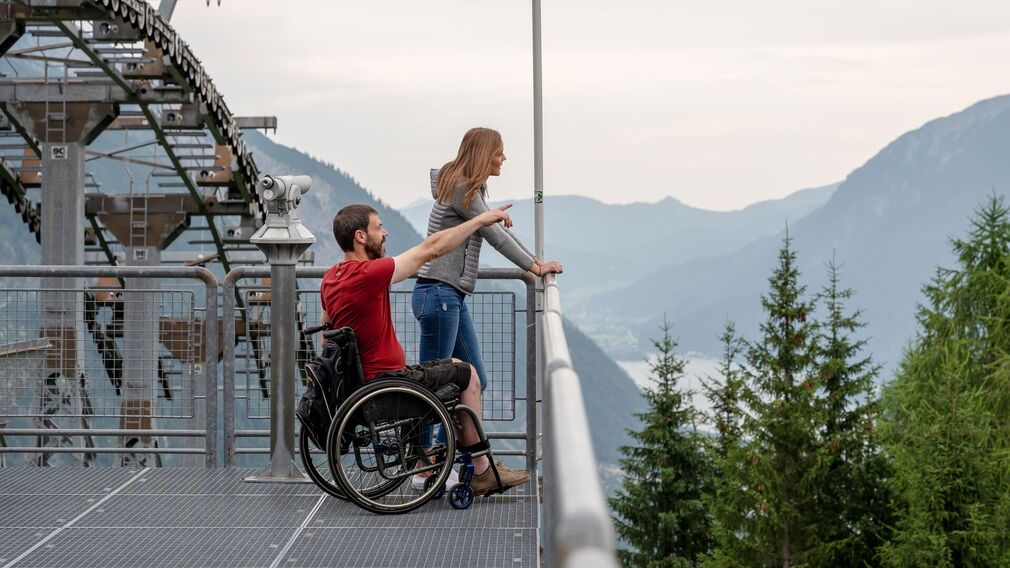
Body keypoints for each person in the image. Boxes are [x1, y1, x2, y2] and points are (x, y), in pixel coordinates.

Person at [319, 203, 530, 496]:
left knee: (449, 364)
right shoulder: (368, 274)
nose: (386, 232)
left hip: (366, 388)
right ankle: (482, 469)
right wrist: (479, 220)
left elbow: (325, 338)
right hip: (389, 387)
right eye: (379, 227)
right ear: (360, 237)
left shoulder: (331, 278)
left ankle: (425, 460)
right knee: (468, 374)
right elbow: (431, 249)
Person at [414, 127, 562, 393]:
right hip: (439, 294)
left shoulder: (468, 188)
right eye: (499, 152)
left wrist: (536, 263)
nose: (504, 158)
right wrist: (536, 267)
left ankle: (451, 436)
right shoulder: (463, 189)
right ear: (485, 155)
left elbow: (500, 231)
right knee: (431, 386)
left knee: (475, 379)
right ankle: (423, 437)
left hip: (449, 295)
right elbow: (496, 237)